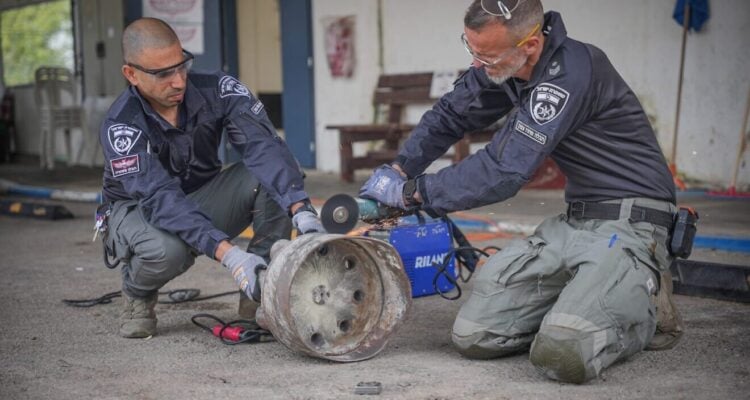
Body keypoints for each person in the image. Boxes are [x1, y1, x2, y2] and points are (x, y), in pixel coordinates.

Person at [359, 0, 683, 384]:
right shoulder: (507, 65)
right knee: (475, 337)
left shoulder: (569, 74)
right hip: (576, 220)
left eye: (486, 55)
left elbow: (505, 168)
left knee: (562, 354)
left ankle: (643, 307)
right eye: (471, 50)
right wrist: (400, 168)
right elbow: (451, 115)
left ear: (529, 45)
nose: (478, 64)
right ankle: (586, 299)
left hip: (634, 223)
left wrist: (412, 193)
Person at [98, 18, 324, 339]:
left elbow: (263, 147)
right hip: (137, 210)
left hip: (202, 193)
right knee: (168, 250)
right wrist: (229, 255)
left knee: (271, 177)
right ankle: (137, 292)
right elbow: (159, 196)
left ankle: (259, 289)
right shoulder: (122, 125)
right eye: (162, 74)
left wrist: (301, 210)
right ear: (131, 74)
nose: (178, 81)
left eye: (181, 66)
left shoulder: (217, 89)